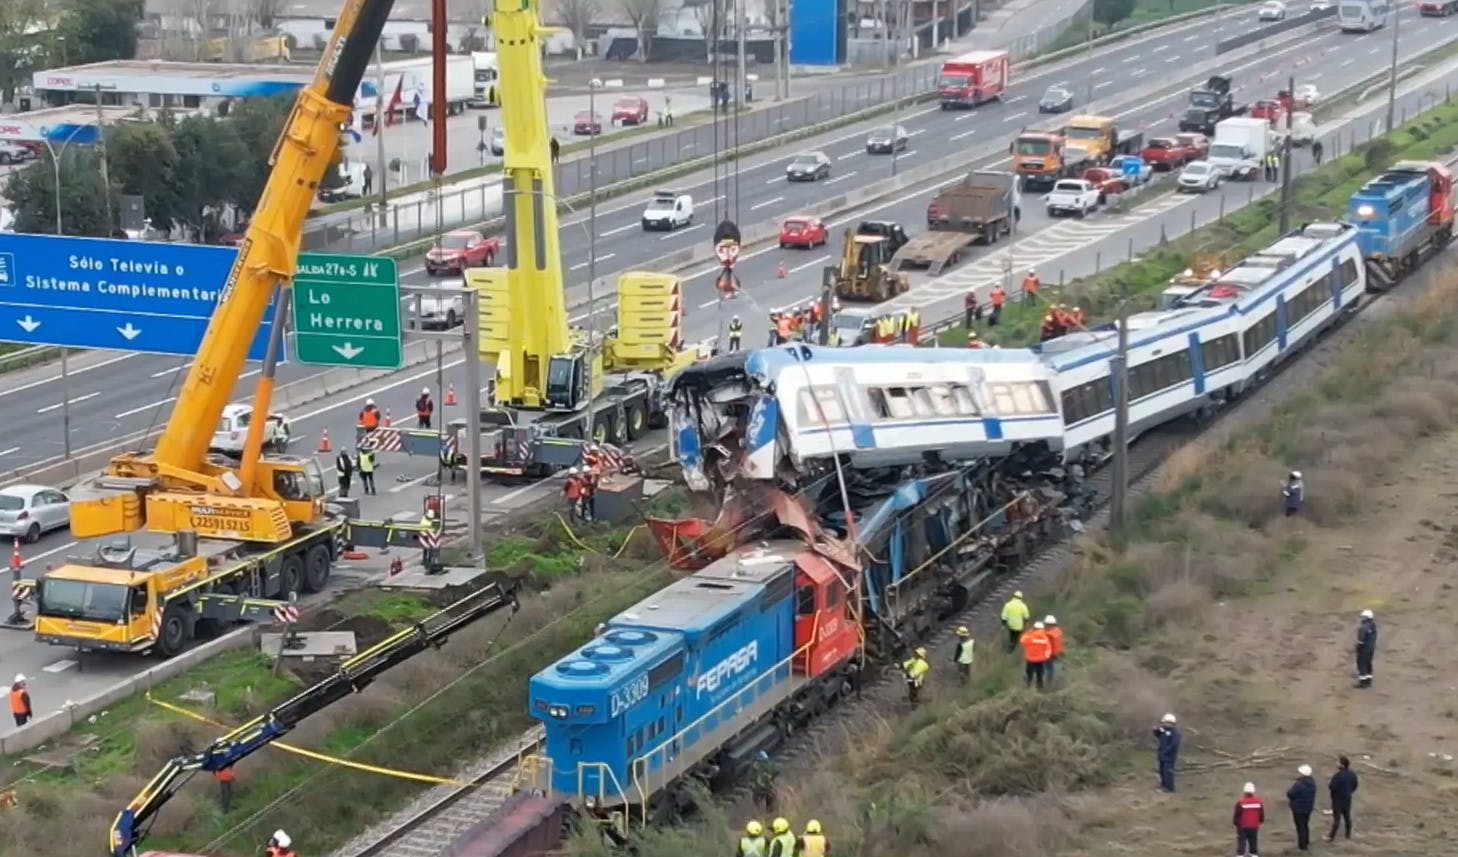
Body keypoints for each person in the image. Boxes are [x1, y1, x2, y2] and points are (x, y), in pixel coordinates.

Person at [1326, 755, 1358, 841]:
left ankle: (1331, 837)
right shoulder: (1352, 774)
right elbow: (1355, 785)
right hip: (1347, 799)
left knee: (1337, 819)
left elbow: (1332, 787)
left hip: (1337, 800)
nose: (1336, 763)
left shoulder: (1338, 775)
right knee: (1347, 817)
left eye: (1338, 762)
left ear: (1342, 765)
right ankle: (1348, 835)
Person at [1286, 764, 1317, 851]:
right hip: (1308, 807)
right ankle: (1306, 841)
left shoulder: (1299, 784)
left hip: (1298, 809)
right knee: (1305, 825)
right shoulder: (1312, 783)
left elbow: (1290, 794)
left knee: (1300, 827)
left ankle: (1302, 846)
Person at [1233, 782, 1265, 857]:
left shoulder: (1240, 802)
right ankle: (1254, 855)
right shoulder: (1259, 802)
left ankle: (1240, 855)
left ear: (1244, 791)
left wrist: (1236, 824)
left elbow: (1237, 815)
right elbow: (1261, 814)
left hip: (1242, 826)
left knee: (1241, 843)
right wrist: (1259, 821)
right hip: (1254, 825)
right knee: (1253, 842)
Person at [1019, 621, 1053, 689]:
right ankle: (1040, 688)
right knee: (1039, 674)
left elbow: (1022, 641)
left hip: (1030, 659)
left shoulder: (1030, 636)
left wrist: (1028, 632)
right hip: (1040, 660)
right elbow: (1048, 649)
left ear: (1034, 628)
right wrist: (1046, 657)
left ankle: (1028, 686)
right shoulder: (1045, 638)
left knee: (1029, 673)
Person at [1154, 713, 1181, 792]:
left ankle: (1169, 787)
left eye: (1170, 723)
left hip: (1169, 757)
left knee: (1168, 772)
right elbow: (1158, 735)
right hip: (1162, 755)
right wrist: (1155, 731)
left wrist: (1166, 751)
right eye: (1166, 722)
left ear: (1173, 724)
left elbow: (1174, 744)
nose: (1167, 724)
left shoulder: (1175, 733)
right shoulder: (1163, 730)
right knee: (1162, 771)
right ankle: (1163, 785)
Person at [1354, 608, 1377, 688]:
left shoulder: (1363, 627)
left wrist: (1358, 648)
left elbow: (1361, 640)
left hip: (1364, 649)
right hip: (1371, 649)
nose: (1362, 618)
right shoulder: (1373, 626)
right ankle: (1368, 681)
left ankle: (1362, 683)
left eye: (1363, 616)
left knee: (1361, 664)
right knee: (1368, 664)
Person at [1044, 614, 1064, 682]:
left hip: (1050, 653)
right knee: (1052, 668)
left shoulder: (1049, 633)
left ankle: (1048, 682)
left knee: (1048, 668)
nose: (1045, 626)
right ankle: (1051, 681)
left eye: (1046, 624)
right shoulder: (1058, 631)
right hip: (1056, 652)